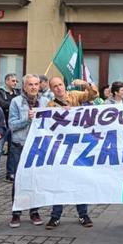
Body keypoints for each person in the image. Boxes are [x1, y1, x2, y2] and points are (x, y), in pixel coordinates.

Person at [45, 76, 99, 229]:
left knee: (79, 180)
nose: (58, 88)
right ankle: (55, 216)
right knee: (59, 181)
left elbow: (93, 95)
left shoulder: (75, 95)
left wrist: (86, 84)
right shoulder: (50, 105)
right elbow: (49, 125)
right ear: (51, 89)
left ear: (64, 85)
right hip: (61, 148)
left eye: (60, 85)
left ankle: (83, 214)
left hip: (78, 146)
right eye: (54, 86)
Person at [7, 74, 50, 227]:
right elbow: (12, 125)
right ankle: (16, 213)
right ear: (24, 86)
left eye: (36, 84)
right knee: (19, 180)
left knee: (35, 179)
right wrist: (27, 118)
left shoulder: (45, 101)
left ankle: (34, 211)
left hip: (38, 146)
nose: (33, 87)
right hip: (20, 145)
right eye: (30, 84)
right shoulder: (16, 102)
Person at [0, 72, 20, 160]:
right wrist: (15, 106)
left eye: (16, 81)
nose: (15, 83)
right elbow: (1, 104)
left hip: (14, 125)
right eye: (13, 81)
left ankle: (10, 173)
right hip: (2, 124)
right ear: (7, 81)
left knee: (13, 150)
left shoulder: (18, 93)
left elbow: (22, 104)